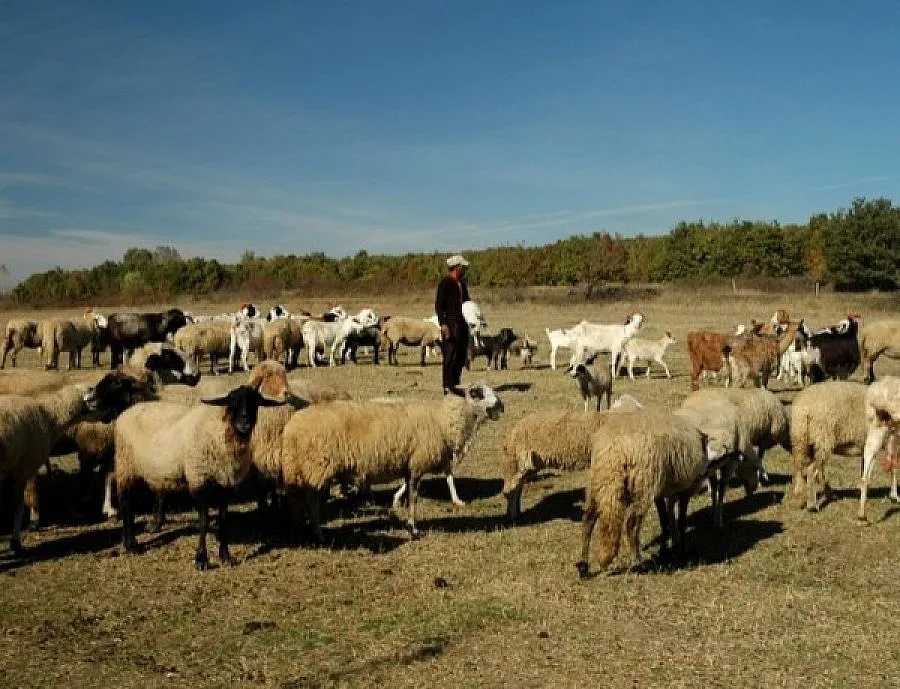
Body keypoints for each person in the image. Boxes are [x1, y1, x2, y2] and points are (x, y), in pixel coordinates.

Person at [435, 254, 471, 395]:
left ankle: (456, 383)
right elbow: (439, 305)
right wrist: (443, 324)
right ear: (457, 267)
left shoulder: (462, 284)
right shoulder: (445, 283)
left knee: (461, 355)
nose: (465, 270)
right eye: (463, 267)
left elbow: (467, 303)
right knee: (450, 354)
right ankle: (447, 386)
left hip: (462, 322)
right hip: (451, 323)